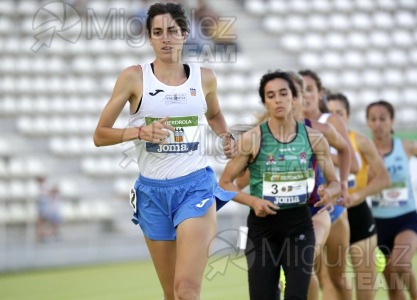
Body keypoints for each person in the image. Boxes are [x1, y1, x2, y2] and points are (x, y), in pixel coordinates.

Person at [93, 3, 238, 300]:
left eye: (172, 31)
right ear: (149, 38)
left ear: (185, 34)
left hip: (195, 187)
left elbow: (214, 114)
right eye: (157, 32)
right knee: (171, 293)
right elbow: (99, 135)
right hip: (152, 193)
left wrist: (226, 135)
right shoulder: (134, 78)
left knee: (186, 290)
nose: (166, 38)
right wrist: (139, 131)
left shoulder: (205, 77)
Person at [219, 71, 341, 300]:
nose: (278, 100)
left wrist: (331, 192)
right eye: (271, 95)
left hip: (299, 225)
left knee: (296, 296)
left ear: (294, 98)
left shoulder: (314, 138)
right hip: (263, 228)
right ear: (265, 101)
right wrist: (253, 201)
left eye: (283, 94)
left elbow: (335, 182)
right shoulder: (253, 138)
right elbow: (225, 183)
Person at [366, 100, 417, 300]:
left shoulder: (406, 146)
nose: (378, 123)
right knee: (394, 289)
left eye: (382, 119)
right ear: (368, 122)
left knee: (401, 262)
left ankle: (416, 297)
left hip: (407, 218)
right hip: (379, 224)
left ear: (392, 121)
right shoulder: (364, 150)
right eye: (373, 119)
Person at [299, 69, 358, 300]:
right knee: (305, 269)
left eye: (310, 89)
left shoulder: (329, 121)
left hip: (331, 207)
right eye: (300, 89)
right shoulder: (284, 125)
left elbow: (350, 158)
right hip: (302, 206)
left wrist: (341, 183)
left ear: (320, 93)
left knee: (336, 277)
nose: (305, 95)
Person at [327, 93, 391, 300]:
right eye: (330, 112)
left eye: (340, 113)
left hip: (356, 213)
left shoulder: (360, 142)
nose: (335, 117)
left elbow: (383, 178)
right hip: (330, 217)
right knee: (334, 283)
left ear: (347, 116)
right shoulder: (313, 139)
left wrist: (358, 196)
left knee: (365, 286)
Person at [35, 176, 63, 242]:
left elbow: (49, 193)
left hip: (47, 205)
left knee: (46, 220)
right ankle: (42, 234)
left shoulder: (44, 186)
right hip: (44, 204)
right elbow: (48, 193)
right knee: (43, 219)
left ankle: (44, 233)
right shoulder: (43, 186)